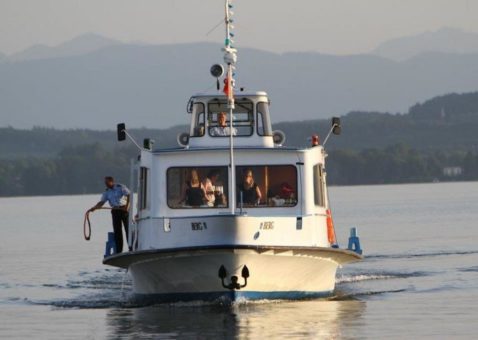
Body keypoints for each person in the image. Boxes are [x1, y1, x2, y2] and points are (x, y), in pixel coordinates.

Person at [89, 176, 131, 253]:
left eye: (107, 182)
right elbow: (101, 202)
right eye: (105, 183)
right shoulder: (107, 192)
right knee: (117, 231)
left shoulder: (120, 187)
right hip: (115, 211)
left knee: (128, 229)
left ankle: (131, 247)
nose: (106, 184)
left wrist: (127, 206)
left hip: (123, 209)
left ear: (112, 181)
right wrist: (94, 208)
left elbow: (129, 195)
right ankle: (119, 250)